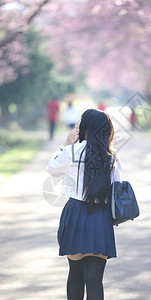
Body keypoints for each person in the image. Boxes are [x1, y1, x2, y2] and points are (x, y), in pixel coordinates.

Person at [46, 109, 121, 300]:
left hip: (75, 213)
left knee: (76, 274)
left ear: (85, 128)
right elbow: (118, 188)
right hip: (101, 217)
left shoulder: (71, 151)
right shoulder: (111, 157)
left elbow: (53, 170)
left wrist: (65, 145)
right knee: (95, 279)